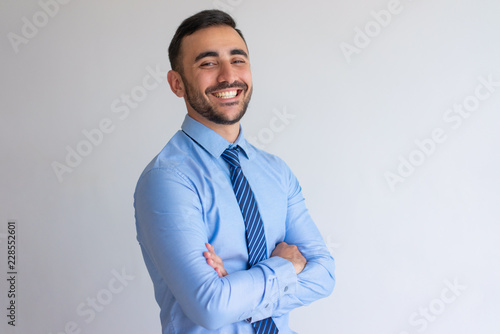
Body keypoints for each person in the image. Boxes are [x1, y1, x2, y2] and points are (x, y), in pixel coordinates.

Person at [134, 9, 335, 334]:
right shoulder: (168, 179)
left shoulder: (275, 171)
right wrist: (283, 267)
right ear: (177, 83)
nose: (228, 75)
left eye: (238, 60)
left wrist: (239, 291)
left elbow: (324, 276)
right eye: (208, 63)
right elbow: (211, 308)